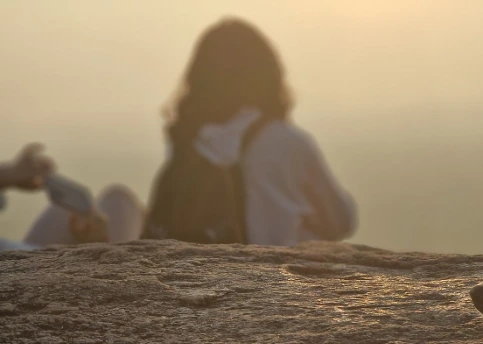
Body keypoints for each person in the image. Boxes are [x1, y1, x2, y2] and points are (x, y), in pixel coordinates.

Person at [143, 17, 357, 246]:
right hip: (278, 270)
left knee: (120, 199)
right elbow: (341, 222)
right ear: (269, 74)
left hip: (204, 262)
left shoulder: (187, 140)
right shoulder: (289, 140)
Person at [0, 144, 144, 250]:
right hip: (18, 266)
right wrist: (99, 245)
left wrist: (8, 175)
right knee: (119, 200)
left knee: (72, 210)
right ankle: (115, 266)